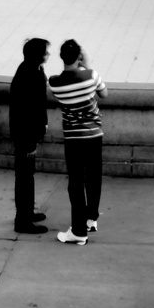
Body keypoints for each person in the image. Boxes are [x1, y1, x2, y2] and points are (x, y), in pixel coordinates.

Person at [49, 39, 107, 244]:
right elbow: (104, 94)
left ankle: (79, 231)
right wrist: (88, 65)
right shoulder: (90, 76)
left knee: (75, 182)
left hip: (73, 137)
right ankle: (91, 219)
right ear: (79, 57)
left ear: (61, 57)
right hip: (94, 134)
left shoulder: (54, 82)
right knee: (93, 177)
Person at [10, 37, 52, 234]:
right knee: (25, 176)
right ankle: (23, 220)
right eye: (45, 52)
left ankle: (26, 213)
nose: (48, 55)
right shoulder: (31, 73)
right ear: (38, 55)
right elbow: (30, 109)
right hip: (26, 134)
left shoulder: (29, 69)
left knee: (26, 175)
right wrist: (33, 137)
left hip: (24, 132)